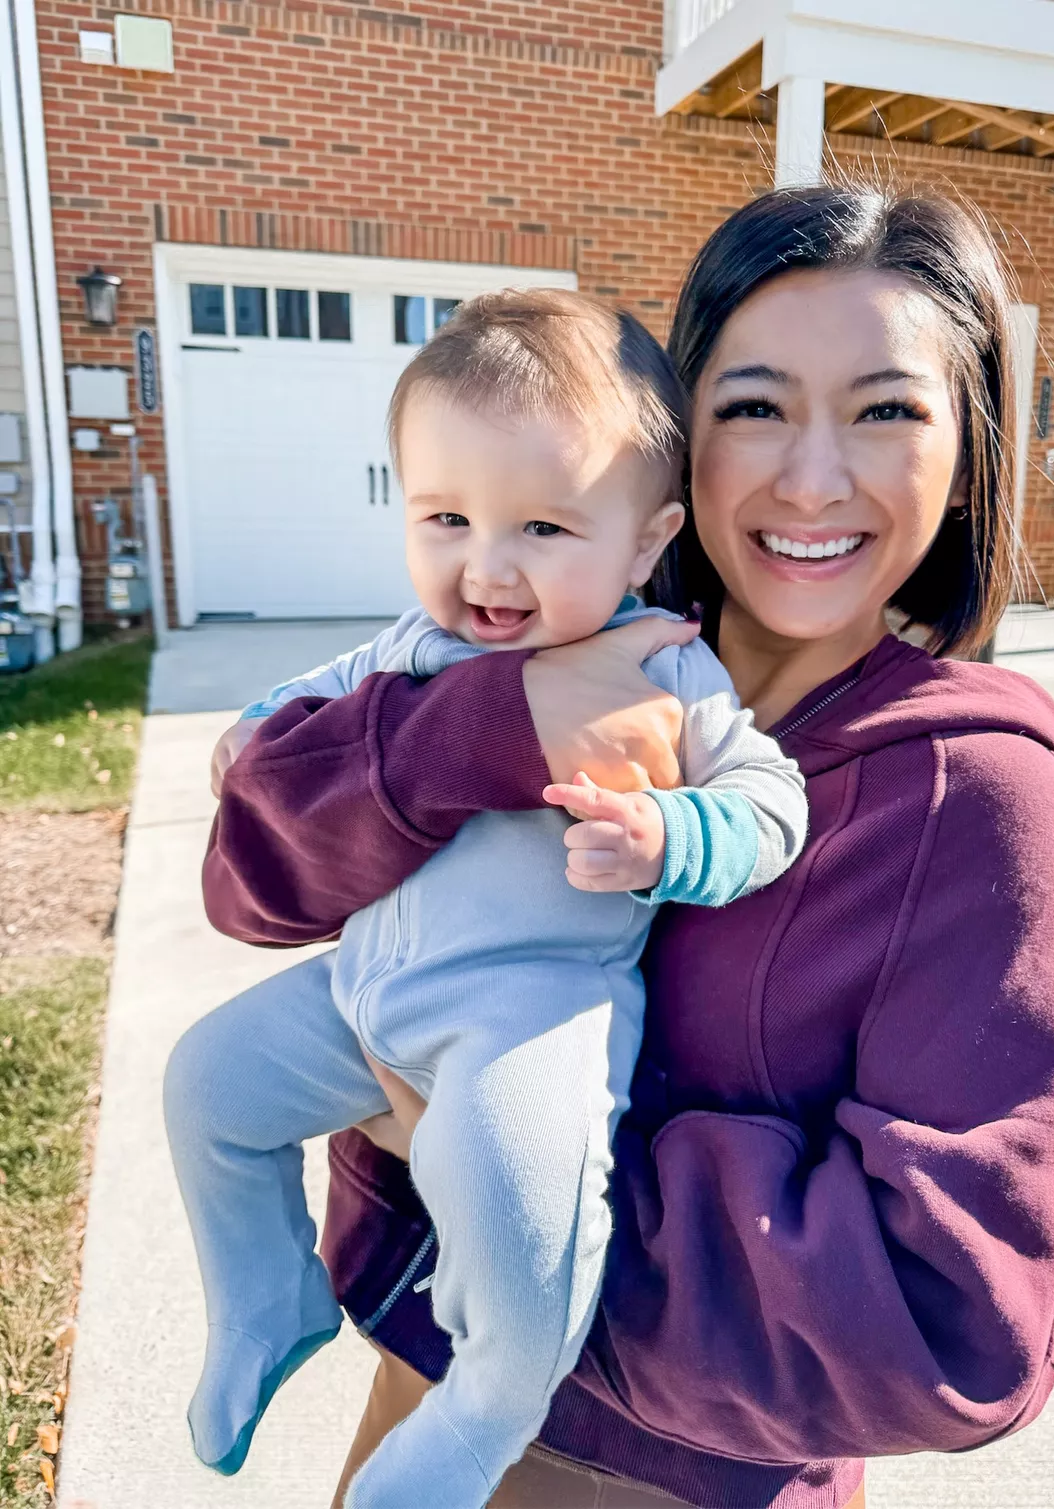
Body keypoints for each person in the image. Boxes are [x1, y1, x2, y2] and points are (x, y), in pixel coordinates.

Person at [203, 186, 1054, 1509]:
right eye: (752, 405)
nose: (812, 475)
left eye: (886, 408)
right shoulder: (557, 635)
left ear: (966, 450)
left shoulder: (970, 789)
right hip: (411, 1401)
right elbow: (250, 881)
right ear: (678, 442)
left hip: (658, 1480)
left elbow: (958, 1327)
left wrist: (471, 1136)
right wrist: (488, 728)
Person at [168, 290, 807, 1509]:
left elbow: (770, 807)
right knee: (206, 1084)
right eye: (446, 517)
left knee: (522, 1233)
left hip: (525, 1018)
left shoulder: (665, 660)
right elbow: (282, 721)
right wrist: (246, 743)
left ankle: (472, 1428)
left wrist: (669, 833)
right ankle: (264, 1295)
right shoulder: (409, 641)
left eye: (543, 527)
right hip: (362, 995)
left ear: (642, 538)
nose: (487, 565)